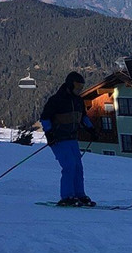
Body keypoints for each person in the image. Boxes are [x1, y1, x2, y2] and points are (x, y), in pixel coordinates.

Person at [39, 71, 98, 206]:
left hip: (72, 138)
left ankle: (79, 195)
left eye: (81, 87)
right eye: (77, 87)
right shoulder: (56, 100)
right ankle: (67, 196)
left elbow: (82, 117)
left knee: (78, 167)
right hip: (59, 139)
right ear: (69, 85)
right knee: (69, 166)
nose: (79, 90)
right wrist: (49, 134)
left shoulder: (78, 100)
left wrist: (91, 129)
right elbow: (45, 118)